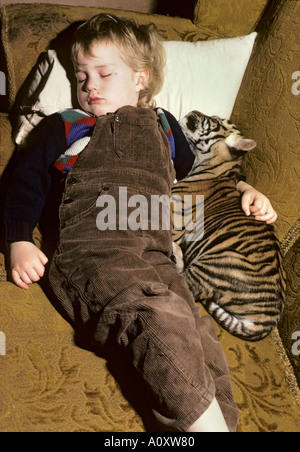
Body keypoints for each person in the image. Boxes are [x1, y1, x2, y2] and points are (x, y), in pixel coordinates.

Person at [3, 13, 277, 432]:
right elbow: (24, 181)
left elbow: (204, 175)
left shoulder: (167, 129)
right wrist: (17, 240)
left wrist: (243, 190)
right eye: (81, 76)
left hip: (158, 257)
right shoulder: (68, 126)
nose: (89, 85)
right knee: (152, 314)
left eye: (103, 73)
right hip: (95, 253)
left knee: (199, 333)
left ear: (140, 78)